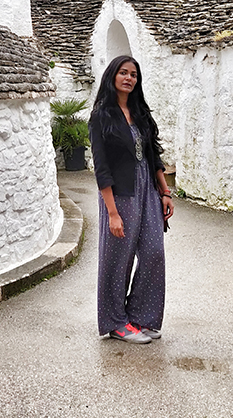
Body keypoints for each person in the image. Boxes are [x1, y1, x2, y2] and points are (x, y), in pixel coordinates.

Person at [89, 55, 174, 344]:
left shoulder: (139, 112)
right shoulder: (102, 115)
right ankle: (116, 322)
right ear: (112, 76)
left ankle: (141, 317)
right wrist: (112, 212)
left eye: (134, 74)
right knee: (117, 259)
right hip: (119, 195)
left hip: (148, 190)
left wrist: (164, 192)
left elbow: (154, 154)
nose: (129, 78)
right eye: (123, 73)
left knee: (153, 253)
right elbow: (101, 167)